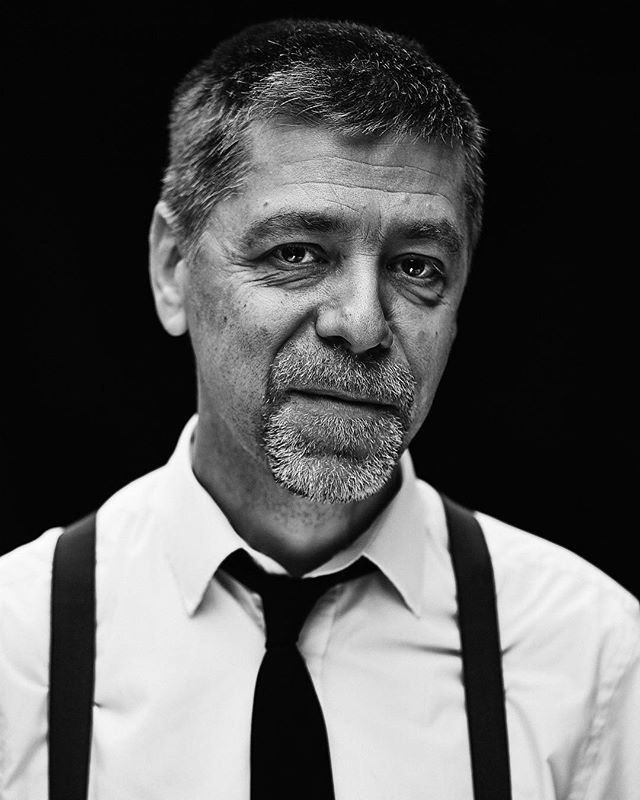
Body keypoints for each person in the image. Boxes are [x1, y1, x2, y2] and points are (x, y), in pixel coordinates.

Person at [1, 18, 638, 800]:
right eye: (297, 253)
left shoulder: (590, 654)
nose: (364, 323)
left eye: (416, 266)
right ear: (173, 268)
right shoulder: (17, 645)